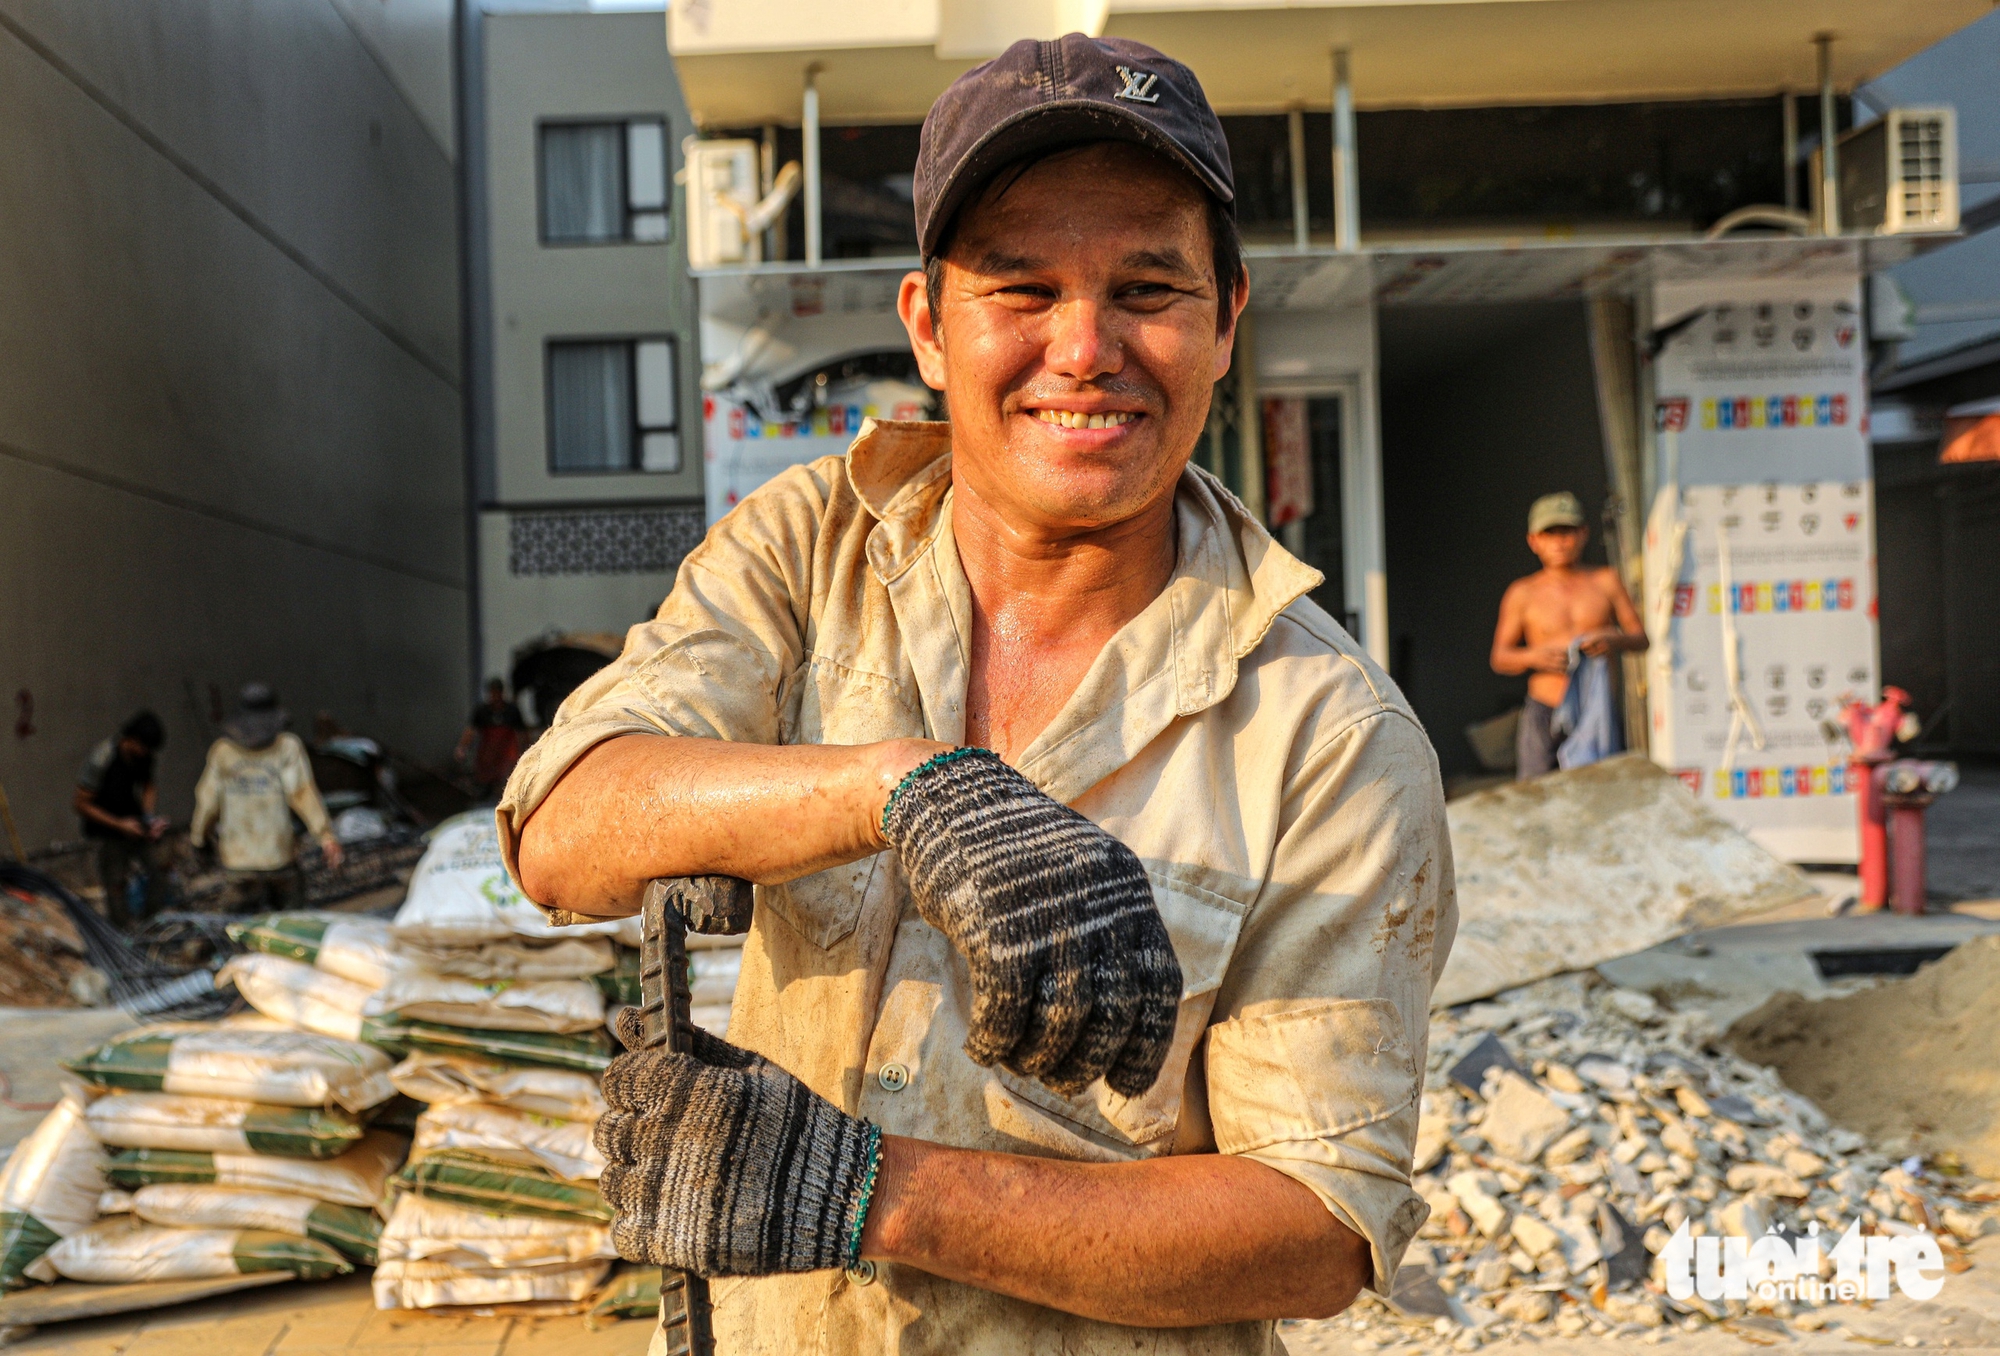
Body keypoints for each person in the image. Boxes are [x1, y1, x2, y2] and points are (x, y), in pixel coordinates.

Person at [502, 34, 1454, 1356]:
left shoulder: (1332, 740)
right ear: (927, 328)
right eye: (1021, 287)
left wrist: (874, 1196)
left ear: (1228, 322)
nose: (1086, 347)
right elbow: (564, 826)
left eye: (1148, 288)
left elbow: (1314, 1231)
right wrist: (902, 790)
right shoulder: (806, 554)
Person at [1490, 491, 1647, 778]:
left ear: (1584, 534)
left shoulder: (1605, 581)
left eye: (1568, 532)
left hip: (1595, 708)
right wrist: (1534, 657)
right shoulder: (1523, 593)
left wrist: (1612, 639)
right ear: (1534, 541)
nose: (1560, 542)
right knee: (1535, 797)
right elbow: (1500, 657)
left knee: (1598, 793)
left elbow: (1640, 638)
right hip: (1543, 708)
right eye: (1550, 534)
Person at [191, 683, 343, 912]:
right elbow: (302, 793)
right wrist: (325, 836)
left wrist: (198, 839)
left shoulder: (222, 751)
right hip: (279, 860)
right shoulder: (287, 747)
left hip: (238, 864)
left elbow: (207, 802)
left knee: (234, 927)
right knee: (291, 923)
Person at [75, 710, 169, 926]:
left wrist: (148, 818)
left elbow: (148, 786)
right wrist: (119, 825)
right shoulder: (103, 758)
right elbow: (80, 804)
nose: (146, 752)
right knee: (116, 885)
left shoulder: (143, 758)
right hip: (106, 828)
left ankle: (151, 925)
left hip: (134, 822)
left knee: (158, 872)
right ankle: (123, 934)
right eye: (143, 747)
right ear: (132, 739)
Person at [456, 678, 525, 797]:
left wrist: (524, 751)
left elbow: (522, 733)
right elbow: (471, 731)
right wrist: (462, 747)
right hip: (488, 755)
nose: (495, 696)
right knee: (484, 782)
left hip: (507, 754)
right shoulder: (482, 711)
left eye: (497, 692)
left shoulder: (512, 711)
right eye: (492, 693)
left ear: (502, 693)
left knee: (506, 783)